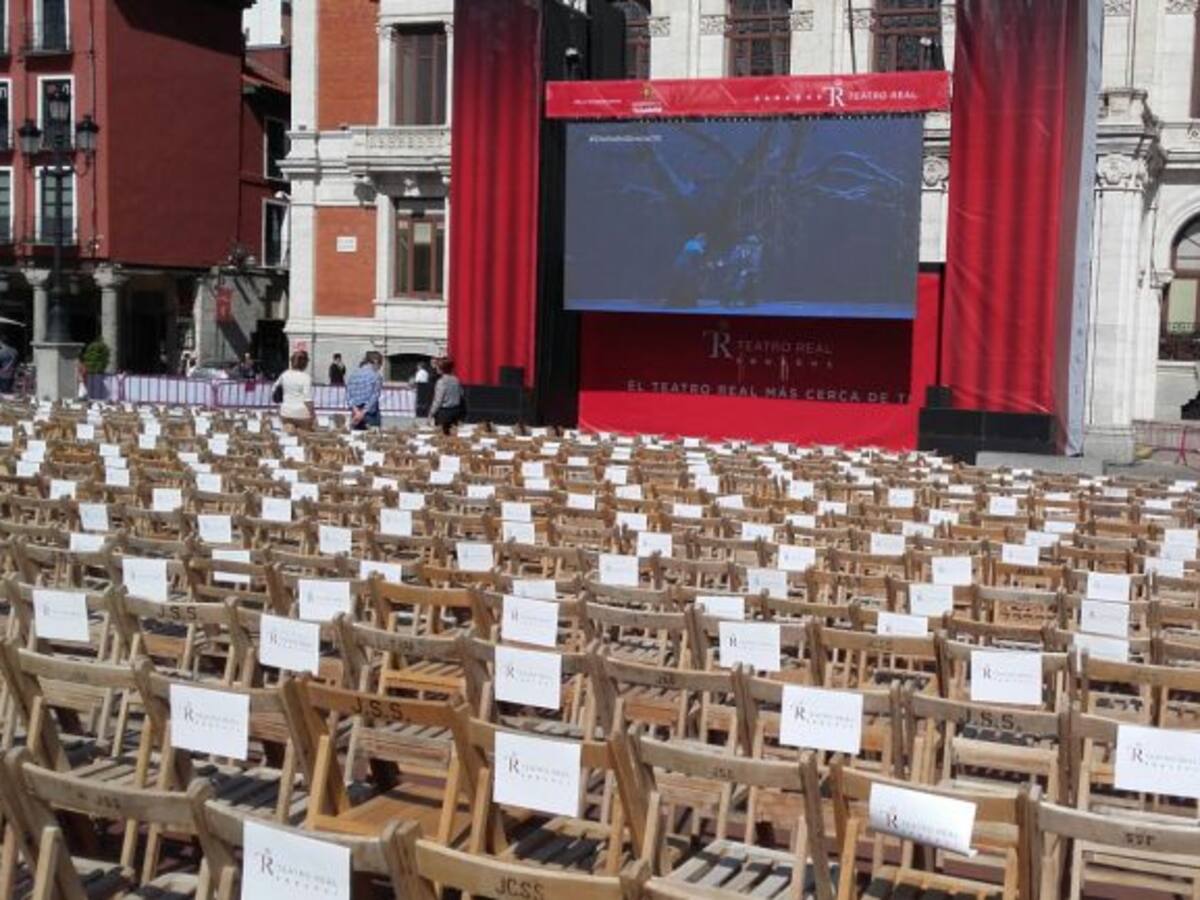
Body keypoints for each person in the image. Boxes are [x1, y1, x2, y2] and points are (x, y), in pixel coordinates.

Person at [273, 350, 314, 429]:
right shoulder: (305, 377)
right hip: (301, 413)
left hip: (285, 412)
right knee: (304, 434)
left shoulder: (284, 375)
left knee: (288, 435)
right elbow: (307, 399)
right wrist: (313, 415)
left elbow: (274, 390)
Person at [346, 350, 384, 430]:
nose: (380, 367)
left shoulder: (353, 375)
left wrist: (356, 411)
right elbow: (374, 397)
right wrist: (363, 413)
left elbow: (348, 396)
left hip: (355, 413)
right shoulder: (376, 376)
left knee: (355, 439)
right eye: (380, 364)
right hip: (370, 414)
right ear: (376, 362)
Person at [428, 357, 466, 435]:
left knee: (442, 436)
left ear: (441, 369)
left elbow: (438, 400)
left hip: (444, 413)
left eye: (438, 367)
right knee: (453, 436)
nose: (437, 369)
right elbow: (461, 394)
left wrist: (430, 414)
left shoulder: (441, 382)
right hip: (455, 411)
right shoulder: (456, 380)